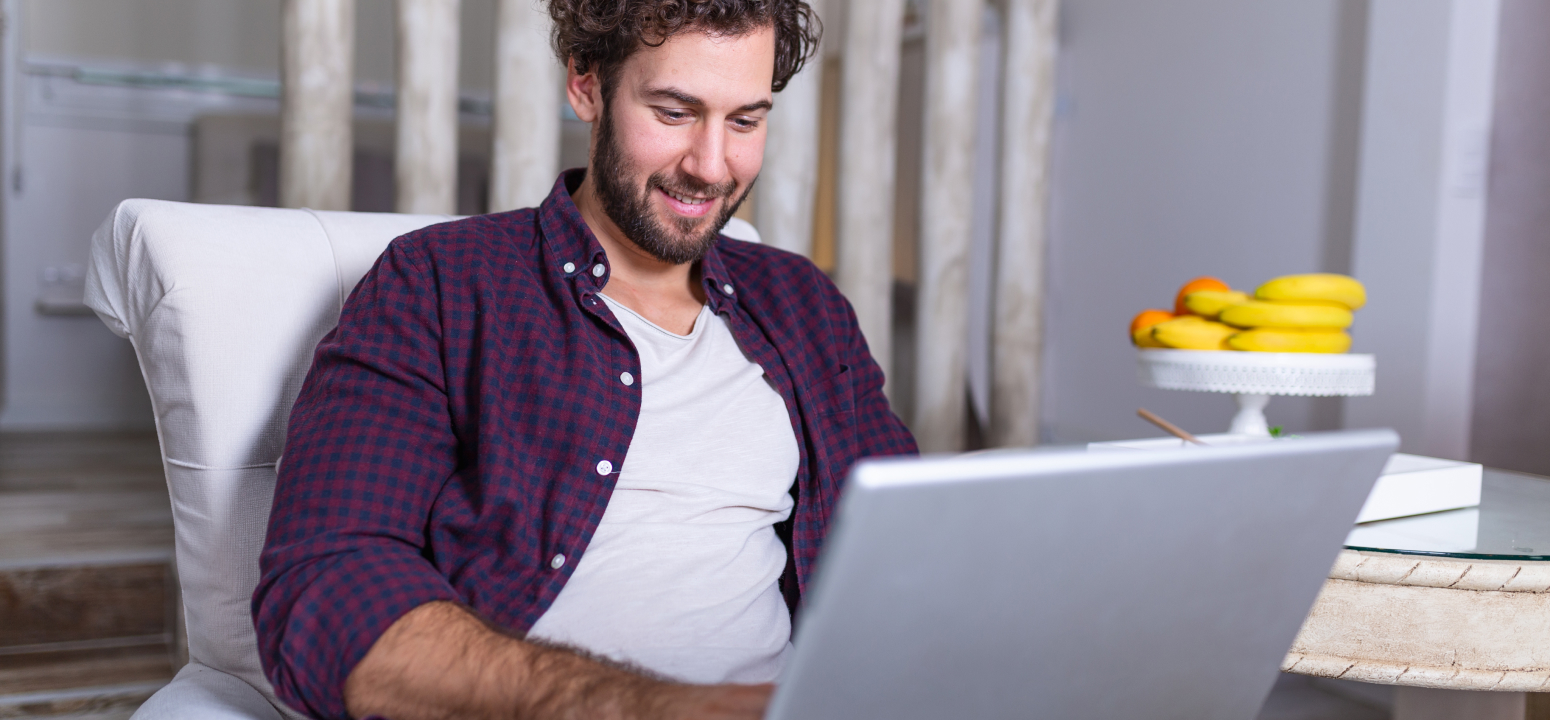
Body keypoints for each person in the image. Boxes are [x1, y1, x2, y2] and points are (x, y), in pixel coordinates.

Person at [254, 1, 917, 718]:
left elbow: (911, 549)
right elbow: (323, 591)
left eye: (745, 121)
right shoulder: (441, 284)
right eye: (673, 112)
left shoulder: (803, 305)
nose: (711, 166)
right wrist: (655, 707)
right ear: (586, 83)